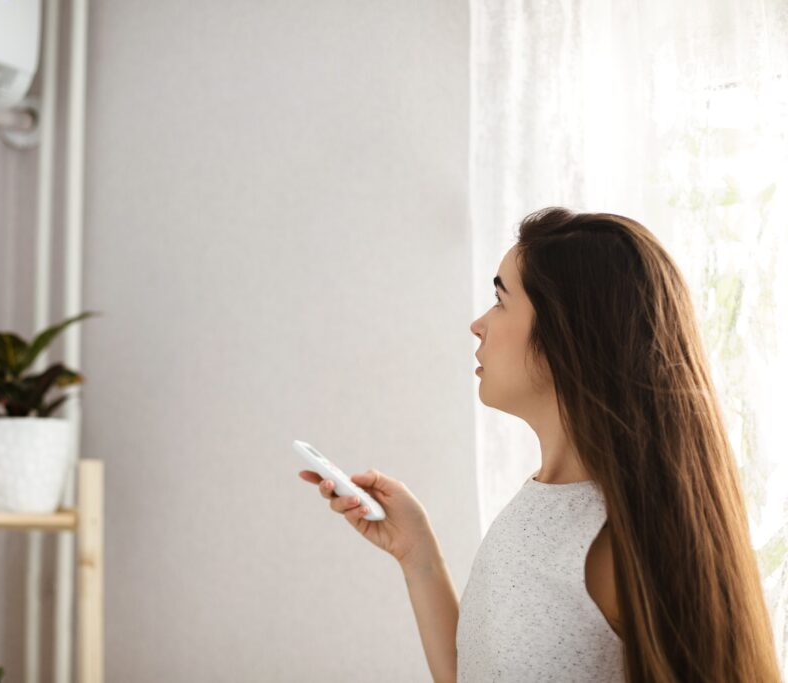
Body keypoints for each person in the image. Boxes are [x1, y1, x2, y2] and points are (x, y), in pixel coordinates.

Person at [298, 207, 781, 682]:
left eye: (501, 299)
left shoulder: (618, 542)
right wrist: (416, 551)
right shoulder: (540, 499)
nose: (478, 323)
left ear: (567, 334)